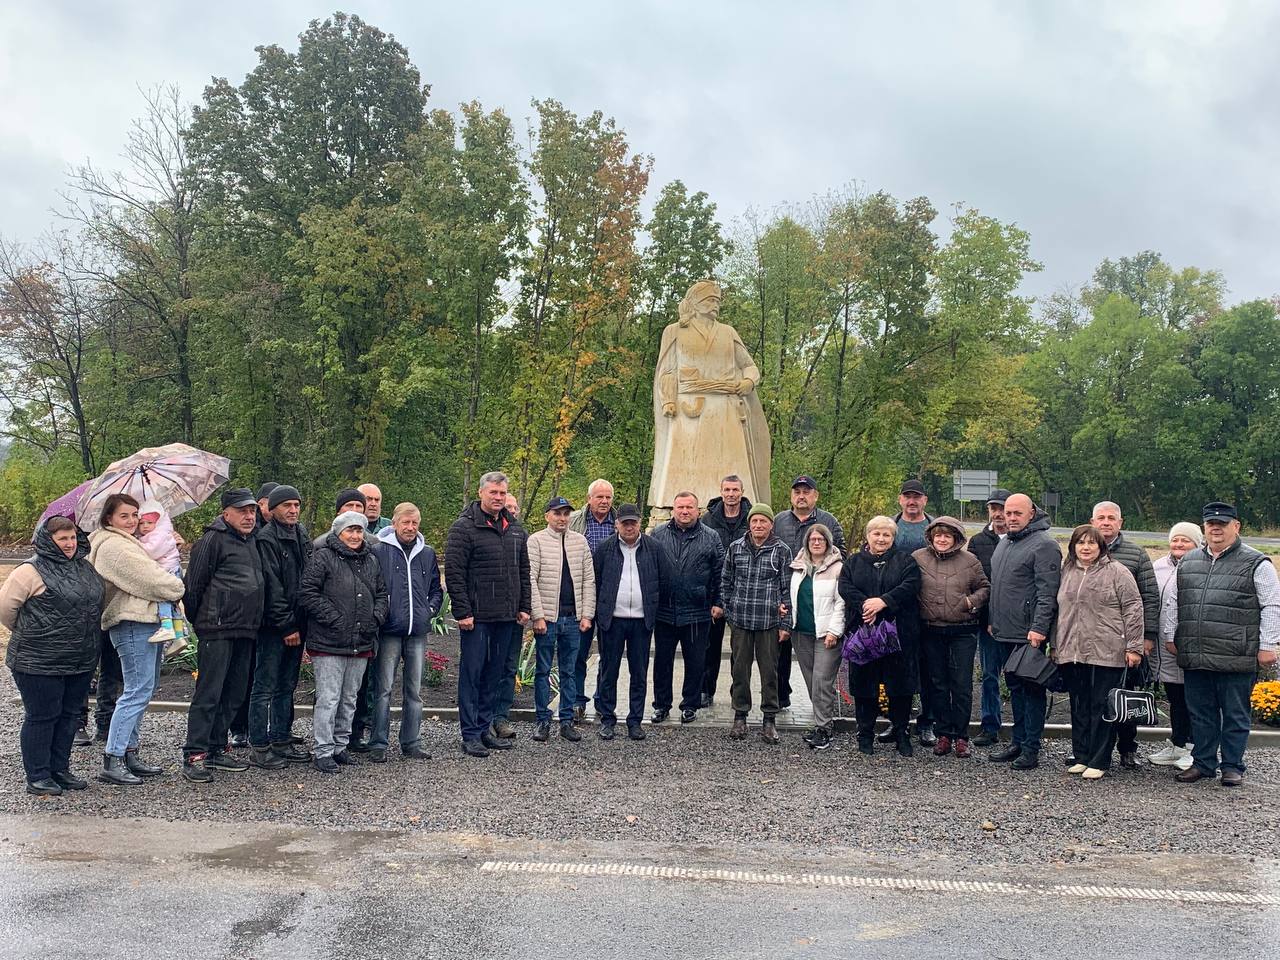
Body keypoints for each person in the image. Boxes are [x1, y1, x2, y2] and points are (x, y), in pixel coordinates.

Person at [1164, 502, 1280, 787]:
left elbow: (1272, 605)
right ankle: (1203, 763)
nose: (1216, 528)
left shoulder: (1257, 563)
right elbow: (1174, 601)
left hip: (1236, 653)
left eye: (1223, 524)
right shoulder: (1188, 561)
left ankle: (1232, 766)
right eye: (1211, 524)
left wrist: (1268, 644)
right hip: (1197, 653)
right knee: (1200, 713)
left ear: (1236, 526)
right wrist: (1170, 635)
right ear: (1204, 527)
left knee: (1235, 715)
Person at [88, 494, 186, 785]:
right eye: (124, 516)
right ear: (109, 518)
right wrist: (177, 585)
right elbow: (151, 579)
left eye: (134, 515)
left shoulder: (129, 542)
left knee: (145, 687)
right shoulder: (114, 546)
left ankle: (129, 752)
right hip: (131, 621)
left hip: (144, 620)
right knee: (136, 689)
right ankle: (113, 757)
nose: (132, 521)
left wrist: (168, 545)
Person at [1, 518, 104, 795]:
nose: (69, 544)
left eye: (72, 538)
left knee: (69, 715)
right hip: (37, 660)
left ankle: (60, 769)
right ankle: (38, 775)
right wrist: (34, 632)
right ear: (48, 540)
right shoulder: (29, 571)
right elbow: (6, 609)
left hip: (79, 659)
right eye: (62, 539)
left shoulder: (85, 567)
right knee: (42, 716)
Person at [649, 279, 771, 510]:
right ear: (695, 302)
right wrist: (668, 401)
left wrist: (748, 381)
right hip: (689, 408)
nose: (715, 305)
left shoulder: (727, 332)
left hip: (726, 407)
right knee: (685, 465)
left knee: (730, 464)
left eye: (717, 301)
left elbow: (749, 366)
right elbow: (667, 370)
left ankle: (737, 506)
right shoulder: (675, 331)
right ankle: (679, 507)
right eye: (710, 300)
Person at [181, 488, 266, 783]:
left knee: (234, 693)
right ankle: (195, 753)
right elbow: (193, 586)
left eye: (252, 511)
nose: (249, 516)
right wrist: (202, 620)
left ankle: (217, 747)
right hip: (216, 628)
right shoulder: (212, 540)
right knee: (209, 693)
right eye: (243, 511)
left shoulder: (252, 540)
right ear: (226, 513)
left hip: (246, 628)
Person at [445, 471, 531, 758]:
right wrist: (463, 611)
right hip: (477, 618)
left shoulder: (515, 529)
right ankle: (470, 734)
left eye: (502, 493)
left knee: (494, 675)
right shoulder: (464, 528)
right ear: (481, 493)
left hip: (506, 616)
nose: (498, 497)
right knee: (473, 675)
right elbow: (454, 573)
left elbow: (523, 571)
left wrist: (524, 606)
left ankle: (484, 729)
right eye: (493, 492)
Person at [1052, 525, 1145, 779]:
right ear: (1073, 546)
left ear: (1101, 546)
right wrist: (1056, 645)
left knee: (1101, 706)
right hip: (1073, 650)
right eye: (1080, 542)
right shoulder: (1067, 571)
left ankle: (1099, 759)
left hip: (1108, 650)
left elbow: (1133, 608)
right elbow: (1059, 611)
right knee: (1079, 705)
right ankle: (1081, 755)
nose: (1086, 547)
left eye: (1091, 543)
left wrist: (1134, 646)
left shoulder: (1117, 571)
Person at [299, 511, 389, 773]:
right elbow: (308, 593)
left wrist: (376, 618)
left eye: (359, 530)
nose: (355, 535)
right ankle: (323, 750)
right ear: (338, 532)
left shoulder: (371, 560)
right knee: (329, 698)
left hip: (361, 640)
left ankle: (340, 745)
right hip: (329, 641)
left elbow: (381, 594)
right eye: (350, 530)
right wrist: (334, 618)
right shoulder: (323, 557)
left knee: (349, 698)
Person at [987, 493, 1061, 771]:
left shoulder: (1044, 545)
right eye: (1008, 513)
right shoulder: (1005, 542)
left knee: (1031, 692)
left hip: (1029, 635)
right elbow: (998, 586)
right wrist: (993, 619)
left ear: (1032, 513)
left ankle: (1031, 748)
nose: (1011, 518)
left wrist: (1039, 628)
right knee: (1015, 691)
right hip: (1004, 631)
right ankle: (1017, 741)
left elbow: (1047, 593)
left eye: (1018, 513)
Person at [839, 516, 922, 756]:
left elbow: (911, 585)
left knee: (900, 687)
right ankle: (865, 734)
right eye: (876, 534)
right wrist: (866, 604)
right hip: (864, 631)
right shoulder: (854, 562)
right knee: (865, 686)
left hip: (898, 633)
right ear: (868, 536)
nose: (881, 539)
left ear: (893, 538)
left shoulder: (905, 561)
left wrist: (884, 601)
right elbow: (845, 587)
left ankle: (901, 732)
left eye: (887, 534)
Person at [369, 502, 443, 762]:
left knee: (414, 691)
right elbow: (372, 587)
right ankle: (378, 742)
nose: (410, 528)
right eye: (406, 523)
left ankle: (411, 742)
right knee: (383, 689)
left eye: (414, 523)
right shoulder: (379, 551)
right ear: (395, 524)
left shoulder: (427, 553)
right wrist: (383, 613)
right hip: (389, 629)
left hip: (417, 631)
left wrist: (429, 610)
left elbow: (436, 588)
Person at [1090, 501, 1160, 768]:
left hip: (1124, 641)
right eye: (1101, 518)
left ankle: (1127, 748)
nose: (1106, 522)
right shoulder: (1082, 551)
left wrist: (1146, 637)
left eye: (1111, 518)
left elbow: (1149, 597)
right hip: (1090, 640)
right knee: (1091, 698)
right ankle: (1091, 749)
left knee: (1124, 696)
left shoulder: (1136, 554)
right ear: (1093, 522)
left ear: (1120, 523)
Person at [592, 504, 671, 741]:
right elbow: (596, 580)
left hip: (641, 621)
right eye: (624, 523)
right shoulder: (605, 548)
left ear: (640, 523)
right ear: (617, 524)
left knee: (639, 673)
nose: (629, 527)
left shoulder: (654, 548)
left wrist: (653, 608)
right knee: (609, 671)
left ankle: (635, 721)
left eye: (633, 523)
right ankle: (607, 719)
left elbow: (664, 580)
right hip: (612, 620)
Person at [247, 484, 313, 770]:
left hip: (299, 622)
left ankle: (281, 739)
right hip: (274, 627)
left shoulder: (300, 534)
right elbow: (272, 587)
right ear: (272, 509)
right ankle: (259, 746)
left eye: (296, 505)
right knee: (265, 685)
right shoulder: (266, 539)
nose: (293, 510)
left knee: (287, 684)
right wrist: (287, 625)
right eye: (287, 505)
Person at [913, 517, 989, 759]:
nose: (942, 539)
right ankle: (943, 733)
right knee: (937, 684)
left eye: (947, 535)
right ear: (931, 537)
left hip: (962, 631)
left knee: (961, 685)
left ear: (956, 538)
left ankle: (962, 736)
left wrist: (969, 602)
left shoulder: (970, 560)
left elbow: (984, 588)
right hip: (931, 630)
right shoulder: (918, 558)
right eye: (938, 535)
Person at [772, 476, 846, 712]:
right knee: (780, 654)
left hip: (820, 598)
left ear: (816, 495)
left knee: (819, 666)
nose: (801, 496)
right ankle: (780, 698)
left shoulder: (828, 521)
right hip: (785, 595)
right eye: (797, 492)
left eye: (806, 492)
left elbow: (841, 555)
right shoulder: (779, 521)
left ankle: (822, 713)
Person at [721, 503, 793, 744]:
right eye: (755, 521)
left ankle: (769, 719)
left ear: (771, 524)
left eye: (763, 521)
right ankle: (740, 715)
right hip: (741, 621)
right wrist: (730, 612)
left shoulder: (781, 551)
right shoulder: (735, 548)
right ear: (749, 524)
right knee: (739, 670)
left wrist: (785, 623)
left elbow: (787, 589)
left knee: (769, 672)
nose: (759, 525)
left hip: (769, 622)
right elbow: (726, 582)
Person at [650, 491, 723, 724]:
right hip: (664, 611)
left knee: (695, 662)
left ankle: (690, 705)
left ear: (697, 510)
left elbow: (720, 573)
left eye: (689, 507)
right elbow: (649, 570)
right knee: (662, 662)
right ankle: (661, 705)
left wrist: (718, 602)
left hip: (697, 611)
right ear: (673, 510)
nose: (684, 511)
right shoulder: (658, 534)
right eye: (680, 507)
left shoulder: (711, 537)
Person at [527, 496, 595, 742]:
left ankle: (566, 720)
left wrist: (587, 614)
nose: (562, 518)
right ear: (547, 516)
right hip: (548, 619)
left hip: (573, 619)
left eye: (566, 514)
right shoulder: (536, 541)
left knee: (570, 671)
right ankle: (542, 720)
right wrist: (538, 615)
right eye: (557, 513)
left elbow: (588, 580)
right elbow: (531, 580)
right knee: (543, 670)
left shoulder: (580, 541)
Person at [1148, 522, 1204, 770]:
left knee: (1193, 699)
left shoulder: (1202, 566)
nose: (1179, 544)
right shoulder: (1158, 566)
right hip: (1164, 646)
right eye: (1175, 539)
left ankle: (1193, 748)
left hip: (1189, 644)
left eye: (1185, 540)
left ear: (1197, 543)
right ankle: (1178, 743)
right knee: (1175, 697)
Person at [785, 524, 845, 751]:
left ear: (828, 542)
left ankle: (824, 728)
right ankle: (821, 721)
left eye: (821, 539)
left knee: (822, 680)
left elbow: (842, 603)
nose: (817, 542)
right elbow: (791, 596)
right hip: (801, 632)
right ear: (807, 543)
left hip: (826, 634)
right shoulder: (798, 566)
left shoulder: (838, 568)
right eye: (813, 539)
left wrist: (834, 631)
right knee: (811, 680)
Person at [892, 478, 937, 745]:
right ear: (900, 499)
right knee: (898, 668)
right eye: (907, 496)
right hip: (896, 608)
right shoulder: (890, 527)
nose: (912, 501)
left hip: (929, 608)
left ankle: (927, 722)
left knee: (928, 669)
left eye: (916, 497)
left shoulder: (936, 529)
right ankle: (897, 722)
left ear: (924, 500)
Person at [700, 475, 751, 708]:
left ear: (742, 492)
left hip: (744, 592)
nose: (731, 494)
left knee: (740, 650)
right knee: (710, 646)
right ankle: (705, 690)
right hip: (715, 590)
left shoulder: (751, 518)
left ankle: (738, 694)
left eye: (735, 490)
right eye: (727, 490)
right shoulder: (708, 519)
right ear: (721, 492)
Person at [568, 478, 616, 721]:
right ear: (589, 499)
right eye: (600, 497)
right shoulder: (574, 521)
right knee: (579, 652)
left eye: (608, 497)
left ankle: (602, 699)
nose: (604, 501)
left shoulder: (619, 523)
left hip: (610, 598)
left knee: (608, 653)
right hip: (580, 596)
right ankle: (577, 700)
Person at [966, 488, 1010, 747]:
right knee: (989, 676)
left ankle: (1023, 729)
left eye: (1002, 508)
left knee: (1018, 677)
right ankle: (990, 725)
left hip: (1016, 622)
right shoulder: (978, 542)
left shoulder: (1022, 539)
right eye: (994, 508)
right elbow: (974, 582)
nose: (998, 514)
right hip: (987, 622)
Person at [489, 491, 528, 741]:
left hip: (514, 614)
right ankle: (484, 717)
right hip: (490, 614)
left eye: (515, 508)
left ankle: (501, 716)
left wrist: (525, 607)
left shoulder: (519, 534)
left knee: (509, 666)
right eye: (508, 506)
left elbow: (525, 573)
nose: (511, 510)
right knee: (489, 665)